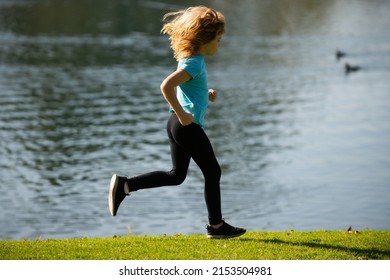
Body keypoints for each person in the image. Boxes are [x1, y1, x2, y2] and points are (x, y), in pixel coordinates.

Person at [108, 6, 246, 239]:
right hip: (185, 126)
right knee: (213, 171)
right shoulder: (193, 63)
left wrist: (205, 94)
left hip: (176, 124)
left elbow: (186, 87)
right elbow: (167, 86)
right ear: (204, 39)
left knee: (176, 175)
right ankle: (216, 226)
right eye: (218, 39)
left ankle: (125, 186)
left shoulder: (192, 61)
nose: (220, 44)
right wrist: (183, 115)